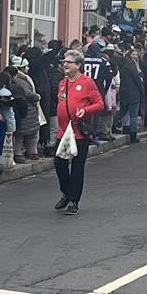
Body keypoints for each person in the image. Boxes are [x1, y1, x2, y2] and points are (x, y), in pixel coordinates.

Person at [52, 51, 105, 213]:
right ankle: (67, 192)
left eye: (69, 62)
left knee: (77, 166)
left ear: (78, 65)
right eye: (64, 62)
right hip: (63, 132)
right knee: (59, 162)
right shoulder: (63, 83)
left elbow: (99, 104)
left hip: (79, 131)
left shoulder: (87, 83)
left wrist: (85, 110)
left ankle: (74, 200)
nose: (65, 65)